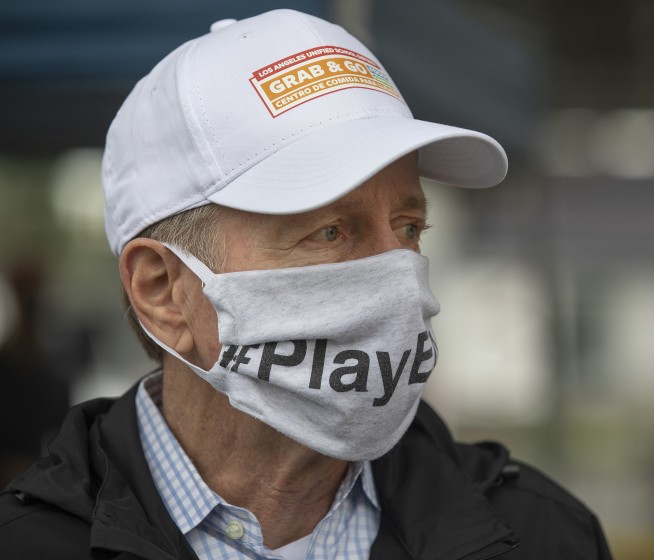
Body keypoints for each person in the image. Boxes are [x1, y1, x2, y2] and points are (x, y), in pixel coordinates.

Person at [0, 10, 612, 559]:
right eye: (328, 232)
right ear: (163, 291)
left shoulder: (543, 535)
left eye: (409, 226)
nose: (398, 275)